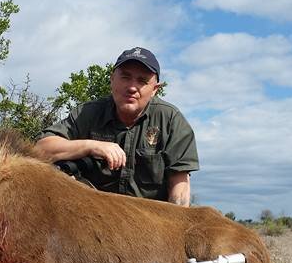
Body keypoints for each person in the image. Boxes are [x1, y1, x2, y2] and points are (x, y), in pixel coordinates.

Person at [35, 47, 199, 206]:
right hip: (92, 216)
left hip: (149, 223)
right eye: (125, 77)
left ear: (155, 89)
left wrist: (173, 228)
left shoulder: (171, 120)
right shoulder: (88, 112)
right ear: (112, 79)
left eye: (142, 81)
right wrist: (92, 146)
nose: (132, 88)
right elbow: (41, 149)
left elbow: (180, 185)